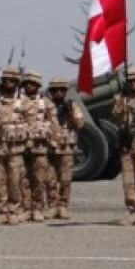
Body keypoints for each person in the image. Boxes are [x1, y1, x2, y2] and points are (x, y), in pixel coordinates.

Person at [19, 70, 61, 222]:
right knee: (23, 179)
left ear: (37, 85)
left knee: (39, 179)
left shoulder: (46, 103)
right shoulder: (18, 102)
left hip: (40, 147)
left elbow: (54, 125)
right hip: (21, 147)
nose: (29, 86)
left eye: (32, 83)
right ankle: (26, 208)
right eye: (26, 83)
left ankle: (37, 208)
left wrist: (55, 144)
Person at [0, 67, 28, 225]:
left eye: (12, 81)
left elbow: (31, 124)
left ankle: (14, 210)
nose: (9, 83)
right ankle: (2, 211)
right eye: (6, 80)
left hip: (15, 149)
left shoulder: (23, 102)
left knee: (14, 181)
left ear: (17, 83)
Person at [112, 67, 135, 226]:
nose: (134, 84)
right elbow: (116, 114)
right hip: (127, 145)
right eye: (131, 81)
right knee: (128, 180)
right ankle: (132, 211)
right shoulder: (123, 98)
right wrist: (122, 98)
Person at [47, 76, 84, 219]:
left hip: (67, 148)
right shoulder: (46, 106)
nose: (58, 93)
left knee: (65, 179)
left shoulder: (72, 105)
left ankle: (63, 206)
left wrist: (70, 113)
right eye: (55, 90)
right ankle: (52, 206)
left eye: (61, 90)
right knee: (50, 179)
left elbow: (80, 124)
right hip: (51, 147)